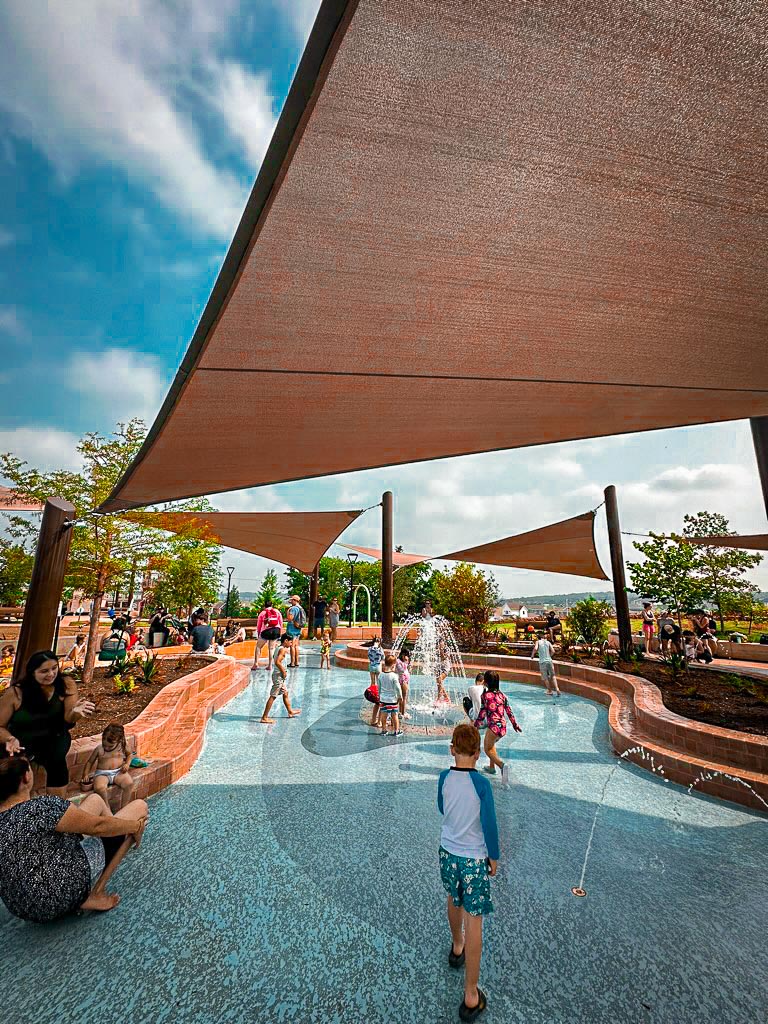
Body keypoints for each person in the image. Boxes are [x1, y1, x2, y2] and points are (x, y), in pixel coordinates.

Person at [0, 754, 148, 920]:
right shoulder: (41, 807)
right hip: (63, 894)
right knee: (140, 808)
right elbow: (97, 827)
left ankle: (114, 837)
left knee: (96, 799)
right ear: (26, 777)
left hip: (24, 909)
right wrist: (135, 826)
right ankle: (95, 892)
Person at [437, 723, 499, 1022]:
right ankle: (471, 993)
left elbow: (441, 807)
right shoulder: (482, 785)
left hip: (448, 852)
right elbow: (489, 825)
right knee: (476, 920)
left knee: (453, 897)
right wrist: (494, 856)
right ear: (477, 754)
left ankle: (456, 945)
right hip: (474, 860)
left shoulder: (444, 777)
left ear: (452, 749)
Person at [0, 651, 94, 797]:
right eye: (44, 671)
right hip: (21, 739)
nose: (51, 674)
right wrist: (9, 739)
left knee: (56, 760)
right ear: (32, 672)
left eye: (54, 668)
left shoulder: (66, 684)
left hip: (54, 736)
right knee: (13, 766)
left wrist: (76, 711)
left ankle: (56, 805)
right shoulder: (16, 693)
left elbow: (68, 718)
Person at [475, 671, 522, 782]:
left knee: (487, 749)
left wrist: (476, 725)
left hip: (493, 727)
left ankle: (502, 766)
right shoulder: (502, 695)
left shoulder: (485, 696)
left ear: (485, 683)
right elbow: (509, 711)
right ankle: (491, 767)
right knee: (491, 745)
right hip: (502, 727)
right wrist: (515, 724)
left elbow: (482, 713)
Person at [82, 724, 135, 810]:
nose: (106, 747)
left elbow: (129, 755)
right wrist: (85, 774)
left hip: (118, 772)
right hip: (102, 774)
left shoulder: (122, 746)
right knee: (99, 788)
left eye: (110, 746)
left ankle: (124, 808)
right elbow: (89, 762)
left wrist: (127, 764)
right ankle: (106, 809)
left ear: (119, 740)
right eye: (104, 743)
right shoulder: (99, 749)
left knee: (129, 784)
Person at [260, 636, 302, 724]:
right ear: (285, 640)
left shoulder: (278, 648)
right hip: (278, 675)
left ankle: (290, 711)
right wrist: (283, 672)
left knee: (285, 693)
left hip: (278, 675)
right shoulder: (282, 649)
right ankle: (264, 717)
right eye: (290, 642)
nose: (291, 645)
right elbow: (277, 662)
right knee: (273, 696)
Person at [377, 654, 403, 737]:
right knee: (394, 715)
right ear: (393, 665)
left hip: (383, 699)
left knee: (384, 714)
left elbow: (379, 687)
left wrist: (379, 696)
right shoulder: (394, 676)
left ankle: (384, 730)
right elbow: (398, 688)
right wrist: (400, 696)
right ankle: (396, 731)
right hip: (392, 700)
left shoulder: (380, 675)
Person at [254, 601, 284, 671]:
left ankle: (256, 663)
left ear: (264, 606)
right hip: (276, 630)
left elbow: (259, 625)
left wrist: (259, 634)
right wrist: (280, 631)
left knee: (258, 647)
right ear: (272, 605)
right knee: (271, 648)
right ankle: (270, 665)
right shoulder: (277, 611)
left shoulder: (262, 613)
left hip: (266, 631)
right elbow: (281, 622)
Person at [285, 595, 306, 667]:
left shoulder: (293, 608)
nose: (291, 601)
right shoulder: (300, 608)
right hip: (298, 628)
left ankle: (292, 663)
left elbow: (290, 618)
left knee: (292, 646)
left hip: (292, 628)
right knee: (296, 646)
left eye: (292, 600)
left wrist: (288, 611)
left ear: (295, 600)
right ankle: (296, 662)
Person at [396, 649, 411, 719]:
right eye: (405, 655)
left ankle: (401, 712)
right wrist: (405, 662)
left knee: (403, 697)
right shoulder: (398, 661)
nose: (406, 657)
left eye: (407, 655)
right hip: (402, 681)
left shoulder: (403, 661)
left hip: (405, 680)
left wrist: (407, 662)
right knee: (403, 697)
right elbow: (401, 670)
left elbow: (407, 669)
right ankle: (403, 713)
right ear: (402, 655)